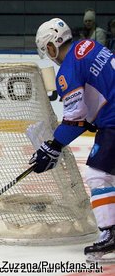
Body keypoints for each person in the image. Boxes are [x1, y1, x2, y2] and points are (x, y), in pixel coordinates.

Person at [32, 18, 114, 262]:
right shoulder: (89, 46)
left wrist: (53, 146)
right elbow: (102, 87)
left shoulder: (67, 70)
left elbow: (75, 119)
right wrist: (91, 116)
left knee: (98, 174)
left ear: (50, 47)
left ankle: (111, 232)